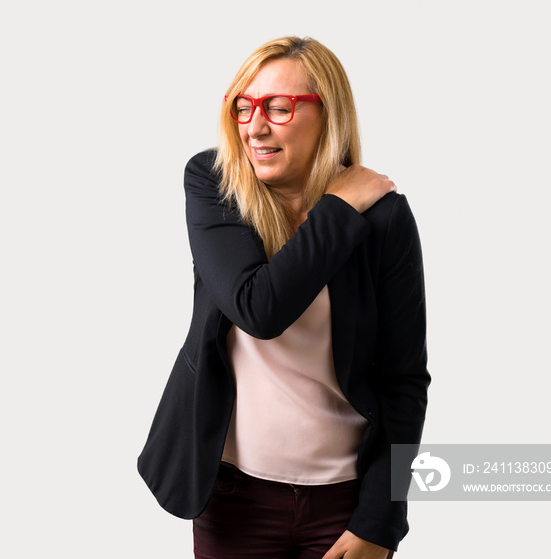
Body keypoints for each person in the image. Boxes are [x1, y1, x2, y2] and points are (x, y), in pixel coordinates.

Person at [138, 36, 429, 559]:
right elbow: (259, 308)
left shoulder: (384, 219)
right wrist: (338, 208)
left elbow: (403, 379)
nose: (254, 126)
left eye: (279, 107)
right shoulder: (216, 183)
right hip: (233, 500)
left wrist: (379, 522)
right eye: (244, 106)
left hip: (345, 506)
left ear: (328, 113)